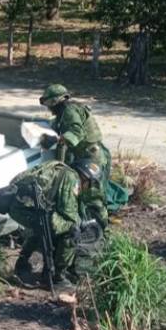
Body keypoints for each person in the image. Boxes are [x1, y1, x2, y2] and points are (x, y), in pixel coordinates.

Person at [0, 160, 84, 291]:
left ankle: (22, 265)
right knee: (71, 229)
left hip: (18, 206)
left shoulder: (60, 168)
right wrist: (79, 222)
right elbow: (68, 214)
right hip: (24, 208)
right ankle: (56, 277)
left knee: (43, 227)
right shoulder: (71, 178)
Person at [38, 84, 110, 227]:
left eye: (49, 104)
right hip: (82, 157)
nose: (48, 108)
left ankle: (101, 229)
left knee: (93, 196)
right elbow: (57, 125)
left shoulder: (70, 111)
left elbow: (77, 132)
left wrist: (58, 139)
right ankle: (87, 224)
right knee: (81, 194)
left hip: (92, 157)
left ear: (55, 102)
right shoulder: (63, 114)